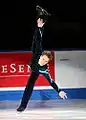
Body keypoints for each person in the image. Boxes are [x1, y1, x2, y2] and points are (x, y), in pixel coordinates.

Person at [17, 6, 67, 112]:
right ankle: (43, 17)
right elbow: (39, 40)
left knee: (29, 86)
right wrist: (39, 28)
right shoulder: (38, 53)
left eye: (46, 61)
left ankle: (43, 16)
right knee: (36, 39)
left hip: (36, 70)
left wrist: (59, 91)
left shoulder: (44, 69)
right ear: (41, 56)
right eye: (43, 59)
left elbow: (51, 82)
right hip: (34, 59)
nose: (44, 61)